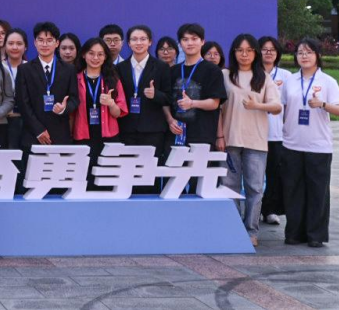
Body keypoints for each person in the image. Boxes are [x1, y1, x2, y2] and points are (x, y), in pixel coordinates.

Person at [281, 38, 339, 248]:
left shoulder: (328, 81)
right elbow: (282, 108)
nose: (304, 56)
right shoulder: (290, 80)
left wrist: (323, 104)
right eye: (300, 52)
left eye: (309, 52)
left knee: (318, 192)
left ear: (317, 55)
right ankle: (294, 233)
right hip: (292, 143)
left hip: (318, 145)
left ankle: (315, 234)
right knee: (293, 191)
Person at [219, 34, 282, 246]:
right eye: (240, 50)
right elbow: (218, 108)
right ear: (233, 53)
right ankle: (233, 228)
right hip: (230, 140)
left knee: (255, 188)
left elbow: (277, 107)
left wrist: (257, 106)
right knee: (230, 186)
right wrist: (219, 136)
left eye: (249, 50)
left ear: (255, 53)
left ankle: (251, 231)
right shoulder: (225, 75)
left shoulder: (263, 78)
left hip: (256, 141)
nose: (244, 55)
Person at [115, 25, 173, 172]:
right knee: (128, 172)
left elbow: (169, 97)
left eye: (143, 39)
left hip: (153, 130)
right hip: (126, 129)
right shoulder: (120, 68)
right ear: (128, 43)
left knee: (150, 173)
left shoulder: (161, 67)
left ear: (150, 42)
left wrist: (156, 95)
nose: (138, 43)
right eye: (134, 39)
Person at [15, 21, 79, 149]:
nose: (44, 44)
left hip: (60, 135)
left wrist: (64, 108)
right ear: (35, 42)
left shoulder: (69, 69)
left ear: (57, 43)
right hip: (33, 135)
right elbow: (22, 103)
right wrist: (38, 130)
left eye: (49, 40)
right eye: (41, 40)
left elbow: (74, 99)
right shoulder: (24, 69)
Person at [168, 24, 227, 153]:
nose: (190, 43)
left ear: (202, 41)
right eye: (185, 39)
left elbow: (214, 103)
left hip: (202, 136)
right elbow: (166, 101)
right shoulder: (173, 71)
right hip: (175, 136)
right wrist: (170, 120)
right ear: (180, 44)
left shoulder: (213, 70)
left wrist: (192, 103)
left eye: (194, 39)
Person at [72, 37, 128, 168]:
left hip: (108, 137)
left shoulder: (113, 80)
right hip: (83, 136)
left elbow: (118, 113)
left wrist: (111, 104)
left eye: (100, 54)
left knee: (107, 174)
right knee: (84, 174)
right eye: (91, 53)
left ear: (105, 57)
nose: (95, 58)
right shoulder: (74, 79)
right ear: (83, 55)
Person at [258, 36, 292, 225]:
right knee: (254, 175)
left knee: (274, 174)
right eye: (264, 49)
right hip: (255, 133)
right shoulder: (253, 73)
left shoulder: (286, 76)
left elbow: (289, 106)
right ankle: (254, 209)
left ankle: (270, 209)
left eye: (272, 49)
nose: (268, 52)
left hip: (276, 134)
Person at [1, 28, 29, 175]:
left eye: (19, 43)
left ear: (26, 47)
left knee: (23, 161)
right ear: (4, 45)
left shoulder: (31, 68)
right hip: (3, 121)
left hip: (26, 121)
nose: (14, 47)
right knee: (6, 160)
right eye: (11, 43)